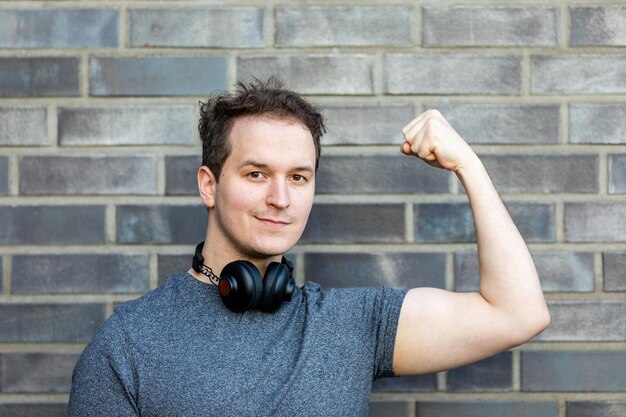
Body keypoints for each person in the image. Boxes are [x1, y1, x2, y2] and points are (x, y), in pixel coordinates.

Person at [68, 78, 550, 416]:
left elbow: (517, 313)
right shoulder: (128, 343)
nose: (280, 199)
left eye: (298, 177)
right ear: (209, 185)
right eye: (256, 174)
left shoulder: (352, 327)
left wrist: (468, 165)